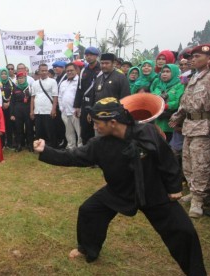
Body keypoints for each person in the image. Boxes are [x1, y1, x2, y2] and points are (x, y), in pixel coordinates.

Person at [34, 97, 207, 276]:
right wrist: (46, 151)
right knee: (89, 210)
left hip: (153, 191)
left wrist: (174, 187)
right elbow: (73, 157)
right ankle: (87, 248)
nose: (94, 127)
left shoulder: (147, 131)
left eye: (97, 123)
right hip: (119, 190)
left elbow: (166, 159)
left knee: (184, 232)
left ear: (113, 122)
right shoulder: (99, 144)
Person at [170, 44, 210, 218]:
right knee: (188, 162)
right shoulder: (193, 78)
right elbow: (184, 102)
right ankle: (193, 192)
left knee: (201, 165)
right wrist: (176, 117)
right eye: (192, 57)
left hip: (204, 127)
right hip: (189, 126)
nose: (193, 59)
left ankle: (199, 201)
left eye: (197, 57)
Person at [74, 46, 101, 145]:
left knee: (97, 130)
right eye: (87, 55)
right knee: (85, 130)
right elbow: (79, 89)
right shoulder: (83, 71)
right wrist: (77, 106)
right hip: (85, 104)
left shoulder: (101, 70)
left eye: (91, 55)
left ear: (96, 56)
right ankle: (87, 153)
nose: (88, 57)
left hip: (97, 104)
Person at [151, 64, 184, 142]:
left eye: (168, 71)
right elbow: (152, 99)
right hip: (157, 122)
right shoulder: (158, 86)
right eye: (163, 71)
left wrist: (165, 106)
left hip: (171, 123)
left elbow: (179, 101)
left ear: (175, 73)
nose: (164, 74)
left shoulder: (180, 85)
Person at [31, 63, 59, 148]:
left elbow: (55, 97)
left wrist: (54, 109)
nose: (44, 72)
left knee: (50, 131)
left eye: (46, 70)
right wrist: (31, 111)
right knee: (39, 131)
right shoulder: (35, 83)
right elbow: (32, 98)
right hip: (38, 111)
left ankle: (52, 148)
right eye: (42, 70)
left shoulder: (52, 81)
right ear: (39, 71)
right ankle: (40, 148)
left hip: (48, 110)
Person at [59, 63, 82, 149]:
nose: (69, 72)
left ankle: (80, 149)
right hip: (65, 112)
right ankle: (71, 148)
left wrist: (79, 109)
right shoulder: (63, 83)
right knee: (68, 132)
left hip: (76, 112)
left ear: (76, 70)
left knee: (79, 133)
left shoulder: (80, 81)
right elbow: (60, 96)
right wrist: (61, 108)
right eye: (67, 71)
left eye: (71, 70)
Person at [10, 71, 34, 152]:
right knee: (18, 129)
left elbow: (32, 100)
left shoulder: (30, 87)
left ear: (25, 78)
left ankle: (30, 144)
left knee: (29, 128)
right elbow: (12, 102)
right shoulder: (15, 88)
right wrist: (12, 114)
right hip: (18, 110)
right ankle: (19, 144)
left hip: (27, 109)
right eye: (19, 78)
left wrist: (32, 111)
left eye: (22, 78)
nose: (21, 80)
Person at [0, 67, 15, 148]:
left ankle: (10, 143)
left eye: (5, 74)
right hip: (1, 108)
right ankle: (2, 144)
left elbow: (14, 94)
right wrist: (2, 103)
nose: (4, 75)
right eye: (2, 74)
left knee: (9, 126)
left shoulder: (11, 83)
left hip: (10, 107)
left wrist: (8, 103)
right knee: (1, 125)